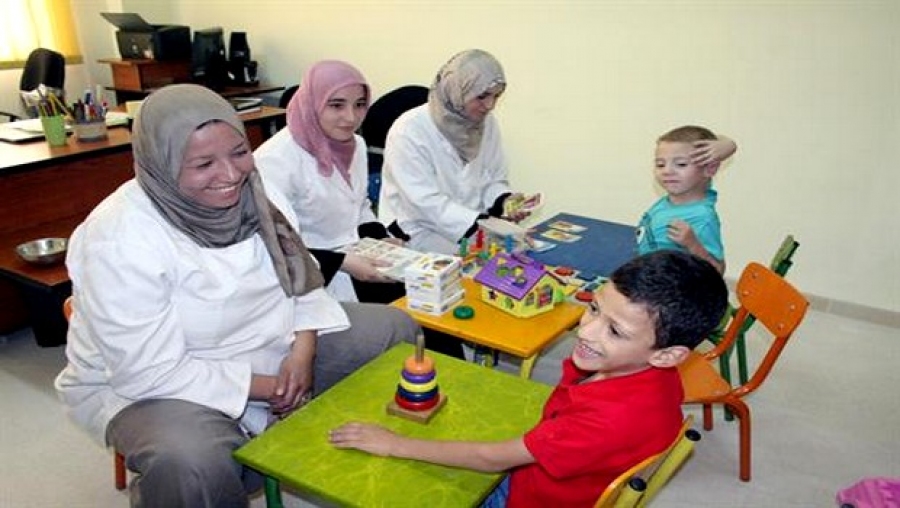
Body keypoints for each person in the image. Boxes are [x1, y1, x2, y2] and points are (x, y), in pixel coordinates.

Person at [54, 84, 419, 508]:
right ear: (161, 164)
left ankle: (327, 451)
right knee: (192, 462)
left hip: (269, 342)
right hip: (155, 382)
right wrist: (274, 387)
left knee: (396, 330)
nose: (230, 175)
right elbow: (148, 371)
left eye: (239, 152)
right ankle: (213, 475)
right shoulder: (118, 238)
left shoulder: (257, 192)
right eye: (203, 163)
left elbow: (301, 278)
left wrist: (302, 353)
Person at [329, 250, 728, 507]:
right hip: (561, 470)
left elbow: (491, 459)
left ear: (668, 354)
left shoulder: (606, 420)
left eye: (616, 331)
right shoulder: (648, 374)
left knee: (394, 489)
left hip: (529, 497)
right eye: (593, 310)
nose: (586, 332)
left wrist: (394, 444)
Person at [255, 60, 404, 304]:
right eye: (336, 105)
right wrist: (343, 263)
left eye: (360, 105)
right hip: (307, 279)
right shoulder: (275, 160)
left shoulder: (354, 145)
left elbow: (358, 204)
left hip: (355, 263)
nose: (351, 117)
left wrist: (379, 238)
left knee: (421, 316)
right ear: (313, 103)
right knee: (391, 326)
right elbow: (273, 244)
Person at [378, 49, 532, 256]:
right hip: (418, 232)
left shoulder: (486, 124)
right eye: (482, 96)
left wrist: (504, 202)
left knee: (518, 257)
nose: (490, 105)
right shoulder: (408, 130)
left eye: (497, 96)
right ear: (457, 90)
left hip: (471, 225)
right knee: (478, 271)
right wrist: (481, 227)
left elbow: (493, 177)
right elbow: (425, 203)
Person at [635, 125, 737, 274]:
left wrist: (693, 244)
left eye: (681, 164)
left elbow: (717, 271)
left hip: (671, 291)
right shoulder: (669, 202)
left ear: (710, 169)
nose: (667, 171)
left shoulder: (702, 217)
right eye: (660, 164)